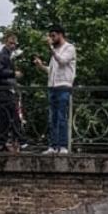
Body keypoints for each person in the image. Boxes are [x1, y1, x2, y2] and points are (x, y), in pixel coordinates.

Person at [33, 24, 76, 154]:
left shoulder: (69, 48)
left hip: (64, 86)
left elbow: (62, 62)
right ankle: (52, 146)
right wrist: (41, 67)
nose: (51, 38)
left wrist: (50, 48)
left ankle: (63, 146)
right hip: (52, 87)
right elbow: (52, 70)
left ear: (60, 35)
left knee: (62, 117)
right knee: (52, 118)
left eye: (53, 36)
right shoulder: (55, 52)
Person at [0, 32, 23, 152]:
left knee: (9, 116)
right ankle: (10, 141)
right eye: (11, 43)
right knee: (8, 116)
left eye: (15, 44)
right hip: (4, 90)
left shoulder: (8, 56)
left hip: (8, 89)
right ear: (6, 42)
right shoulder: (1, 56)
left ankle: (5, 141)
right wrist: (13, 74)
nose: (13, 46)